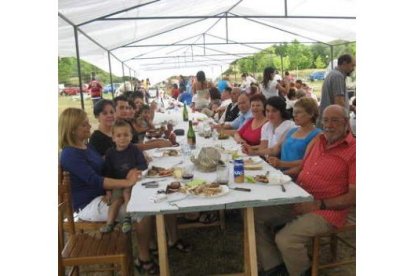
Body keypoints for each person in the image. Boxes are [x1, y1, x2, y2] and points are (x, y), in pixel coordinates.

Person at [254, 104, 356, 276]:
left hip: (327, 210)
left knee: (286, 239)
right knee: (255, 216)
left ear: (346, 123)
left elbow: (354, 197)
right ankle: (275, 268)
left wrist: (318, 205)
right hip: (298, 197)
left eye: (335, 121)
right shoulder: (318, 141)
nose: (329, 125)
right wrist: (279, 175)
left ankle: (301, 272)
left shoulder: (355, 151)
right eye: (326, 120)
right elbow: (303, 167)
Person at [58, 108, 159, 274]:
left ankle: (150, 246)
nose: (90, 125)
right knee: (143, 210)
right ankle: (143, 257)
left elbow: (105, 165)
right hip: (89, 205)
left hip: (104, 195)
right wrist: (126, 181)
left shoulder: (85, 146)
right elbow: (95, 180)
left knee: (147, 196)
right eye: (84, 124)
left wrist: (132, 166)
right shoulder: (70, 154)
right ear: (73, 129)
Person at [100, 120, 148, 233]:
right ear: (113, 138)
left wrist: (134, 169)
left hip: (132, 183)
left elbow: (143, 164)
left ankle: (127, 219)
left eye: (126, 135)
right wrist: (107, 190)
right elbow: (108, 172)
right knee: (115, 200)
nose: (122, 138)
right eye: (119, 135)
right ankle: (109, 224)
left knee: (127, 194)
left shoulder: (134, 150)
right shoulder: (110, 153)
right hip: (117, 182)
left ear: (131, 136)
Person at [266, 97, 321, 176]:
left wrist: (281, 166)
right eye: (294, 112)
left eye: (298, 112)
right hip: (281, 173)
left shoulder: (317, 135)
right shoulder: (292, 131)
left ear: (311, 114)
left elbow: (306, 162)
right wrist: (253, 151)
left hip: (296, 177)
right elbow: (274, 149)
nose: (294, 115)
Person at [318, 54, 356, 126]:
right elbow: (339, 102)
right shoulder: (337, 76)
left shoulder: (333, 74)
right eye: (352, 65)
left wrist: (350, 107)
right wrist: (346, 123)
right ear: (344, 64)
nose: (353, 68)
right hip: (333, 123)